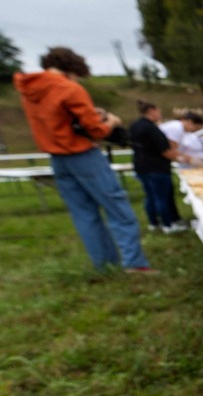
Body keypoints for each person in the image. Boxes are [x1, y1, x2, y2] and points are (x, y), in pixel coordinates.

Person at [14, 47, 153, 272]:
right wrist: (112, 122)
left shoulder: (30, 89)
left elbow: (55, 120)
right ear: (73, 69)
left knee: (84, 214)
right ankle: (135, 264)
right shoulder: (69, 88)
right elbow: (97, 130)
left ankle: (105, 266)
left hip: (57, 158)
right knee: (118, 209)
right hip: (83, 155)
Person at [129, 99, 189, 234]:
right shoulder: (151, 128)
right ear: (152, 111)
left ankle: (154, 223)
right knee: (162, 197)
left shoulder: (135, 126)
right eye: (158, 111)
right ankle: (169, 224)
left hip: (141, 166)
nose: (159, 114)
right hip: (156, 168)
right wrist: (182, 158)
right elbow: (165, 151)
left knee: (150, 196)